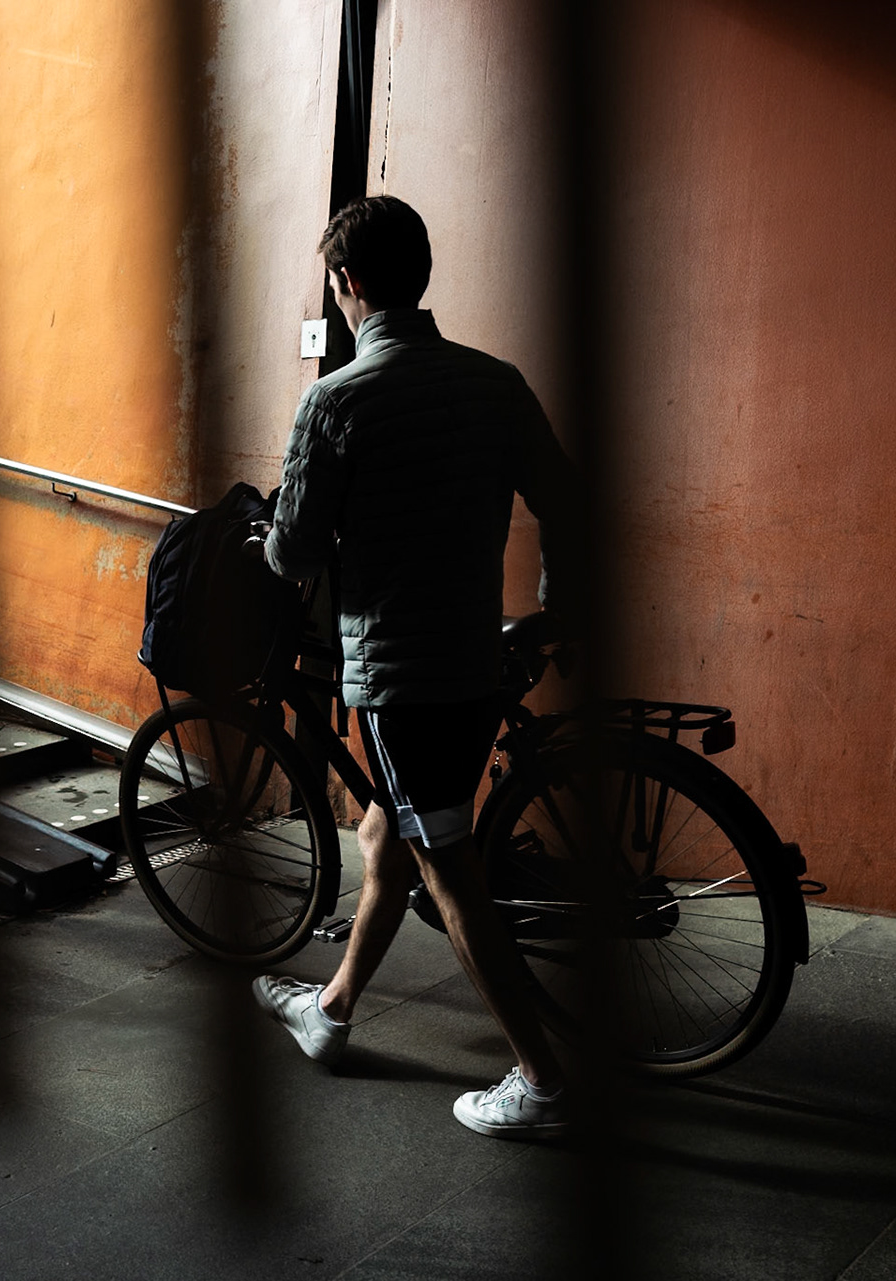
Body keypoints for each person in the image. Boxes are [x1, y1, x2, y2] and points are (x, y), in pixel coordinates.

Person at [250, 196, 578, 1138]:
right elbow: (566, 498)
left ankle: (541, 1081)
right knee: (384, 832)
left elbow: (293, 552)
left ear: (348, 282)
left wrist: (272, 537)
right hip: (479, 662)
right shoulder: (495, 383)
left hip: (401, 680)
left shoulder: (336, 400)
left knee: (446, 868)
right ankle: (333, 1008)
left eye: (335, 281)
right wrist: (554, 609)